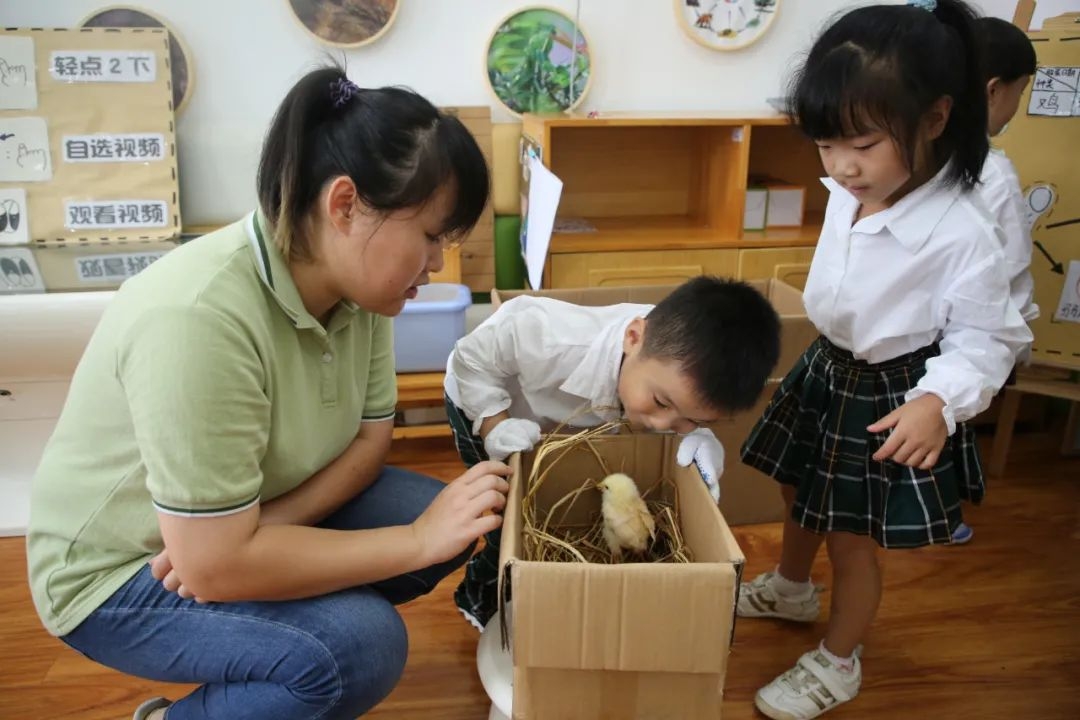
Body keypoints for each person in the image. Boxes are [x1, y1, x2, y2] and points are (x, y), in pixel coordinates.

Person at [27, 64, 510, 720]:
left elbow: (370, 444)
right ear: (345, 205)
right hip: (123, 570)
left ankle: (284, 615)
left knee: (437, 530)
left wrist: (266, 533)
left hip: (229, 526)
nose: (435, 263)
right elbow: (207, 567)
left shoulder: (359, 290)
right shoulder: (198, 316)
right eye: (429, 236)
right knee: (358, 645)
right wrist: (415, 541)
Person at [736, 1, 1033, 718]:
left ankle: (839, 661)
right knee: (796, 489)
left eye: (862, 144)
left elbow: (990, 337)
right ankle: (793, 589)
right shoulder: (853, 186)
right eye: (826, 145)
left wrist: (940, 403)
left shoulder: (961, 229)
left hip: (892, 392)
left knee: (853, 539)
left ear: (934, 118)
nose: (840, 167)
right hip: (829, 367)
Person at [443, 275, 783, 629]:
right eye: (661, 402)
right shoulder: (548, 337)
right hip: (484, 396)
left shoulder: (674, 371)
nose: (662, 423)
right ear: (633, 338)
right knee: (506, 516)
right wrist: (495, 425)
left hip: (563, 416)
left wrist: (699, 436)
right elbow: (472, 359)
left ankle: (559, 593)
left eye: (691, 418)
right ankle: (481, 601)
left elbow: (681, 407)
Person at [951, 16, 1041, 545]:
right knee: (948, 423)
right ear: (994, 90)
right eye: (1020, 93)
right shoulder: (996, 173)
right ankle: (940, 514)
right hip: (975, 328)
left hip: (926, 333)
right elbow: (1011, 269)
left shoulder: (922, 157)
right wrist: (1019, 333)